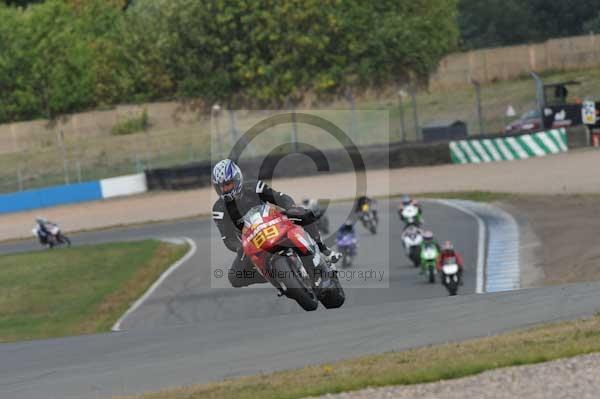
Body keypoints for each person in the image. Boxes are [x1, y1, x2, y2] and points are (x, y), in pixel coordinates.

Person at [211, 159, 340, 288]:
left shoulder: (254, 187)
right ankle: (275, 276)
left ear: (237, 179)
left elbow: (280, 197)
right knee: (235, 278)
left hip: (275, 224)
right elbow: (228, 238)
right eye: (220, 186)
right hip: (253, 242)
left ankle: (324, 250)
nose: (225, 189)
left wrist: (290, 207)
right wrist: (240, 247)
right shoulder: (219, 209)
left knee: (302, 213)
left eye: (228, 184)